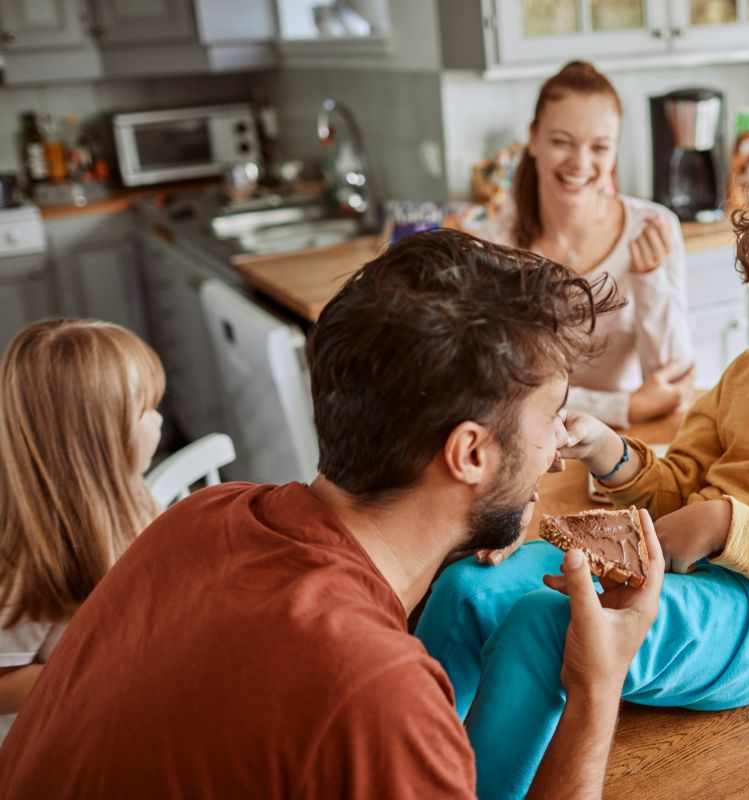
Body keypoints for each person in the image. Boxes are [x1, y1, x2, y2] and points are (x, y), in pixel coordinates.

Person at [0, 230, 666, 800]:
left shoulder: (202, 517)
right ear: (469, 454)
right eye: (552, 417)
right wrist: (596, 688)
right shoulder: (379, 696)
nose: (555, 452)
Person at [417, 158, 749, 799]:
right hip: (671, 571)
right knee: (470, 586)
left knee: (549, 624)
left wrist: (726, 526)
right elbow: (675, 492)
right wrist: (608, 450)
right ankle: (412, 773)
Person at [475, 60, 694, 429]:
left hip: (632, 438)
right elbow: (497, 388)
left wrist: (649, 279)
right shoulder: (494, 244)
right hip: (529, 445)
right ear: (533, 138)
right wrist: (624, 407)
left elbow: (673, 381)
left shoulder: (653, 227)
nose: (580, 163)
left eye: (600, 147)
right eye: (561, 142)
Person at [0, 320, 164, 744]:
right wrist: (101, 671)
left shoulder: (134, 495)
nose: (159, 419)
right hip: (56, 745)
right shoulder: (27, 562)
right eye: (146, 410)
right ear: (100, 441)